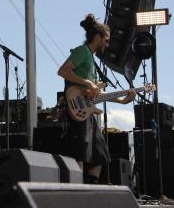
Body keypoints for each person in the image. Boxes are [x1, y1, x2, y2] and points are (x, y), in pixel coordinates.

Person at [57, 13, 135, 184]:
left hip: (87, 112)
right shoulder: (82, 51)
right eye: (106, 40)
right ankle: (76, 191)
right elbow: (62, 71)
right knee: (80, 153)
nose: (107, 44)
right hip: (76, 109)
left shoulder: (91, 59)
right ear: (98, 37)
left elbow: (95, 95)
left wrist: (122, 100)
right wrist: (87, 82)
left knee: (100, 155)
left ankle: (90, 189)